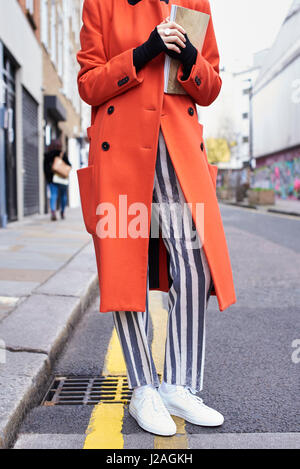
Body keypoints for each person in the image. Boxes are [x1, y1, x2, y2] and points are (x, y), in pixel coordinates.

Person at [76, 0, 236, 437]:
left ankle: (180, 384)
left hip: (179, 153)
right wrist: (144, 52)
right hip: (122, 153)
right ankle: (143, 388)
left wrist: (187, 57)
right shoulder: (101, 4)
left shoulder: (194, 5)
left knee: (194, 263)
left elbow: (211, 86)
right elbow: (88, 84)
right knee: (124, 268)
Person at [44, 139, 72, 221]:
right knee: (63, 196)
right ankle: (62, 212)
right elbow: (69, 166)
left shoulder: (47, 155)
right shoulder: (62, 154)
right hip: (62, 179)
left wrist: (49, 178)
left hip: (52, 179)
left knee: (53, 195)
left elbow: (45, 168)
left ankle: (53, 211)